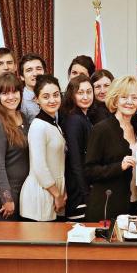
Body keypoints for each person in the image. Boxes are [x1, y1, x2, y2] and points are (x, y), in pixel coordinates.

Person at [85, 76, 137, 221]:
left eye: (134, 97)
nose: (130, 102)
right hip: (108, 206)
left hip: (135, 204)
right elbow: (89, 171)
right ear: (115, 99)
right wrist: (119, 166)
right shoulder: (102, 129)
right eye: (124, 97)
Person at [0, 73, 30, 221]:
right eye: (5, 93)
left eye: (14, 91)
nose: (11, 97)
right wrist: (6, 198)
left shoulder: (23, 117)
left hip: (20, 192)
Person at [20, 75, 67, 221]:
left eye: (56, 95)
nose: (52, 100)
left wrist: (62, 192)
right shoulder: (38, 126)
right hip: (39, 194)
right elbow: (39, 166)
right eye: (46, 96)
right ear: (37, 100)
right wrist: (57, 194)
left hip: (52, 191)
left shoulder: (54, 124)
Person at [62, 75, 95, 219]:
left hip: (83, 187)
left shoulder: (84, 116)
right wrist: (86, 193)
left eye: (89, 91)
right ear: (72, 95)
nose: (86, 96)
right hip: (78, 191)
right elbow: (75, 161)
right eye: (80, 93)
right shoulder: (74, 119)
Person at [18, 53, 47, 123]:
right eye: (29, 70)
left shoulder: (52, 95)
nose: (35, 74)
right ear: (22, 77)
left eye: (38, 69)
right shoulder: (19, 101)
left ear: (44, 72)